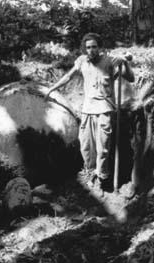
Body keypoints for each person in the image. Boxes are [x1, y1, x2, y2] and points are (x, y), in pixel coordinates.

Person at [45, 33, 134, 191]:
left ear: (99, 48)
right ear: (84, 49)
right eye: (88, 47)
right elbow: (68, 77)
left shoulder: (110, 61)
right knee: (86, 146)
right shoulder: (81, 61)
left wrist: (125, 63)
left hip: (105, 110)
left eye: (94, 47)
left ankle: (103, 179)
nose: (91, 50)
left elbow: (131, 78)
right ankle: (92, 171)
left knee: (103, 147)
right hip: (87, 110)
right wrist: (52, 88)